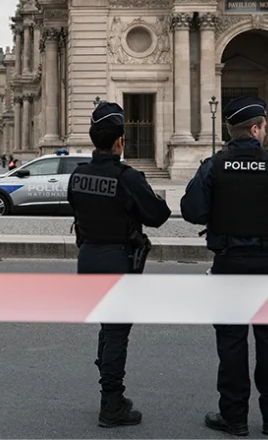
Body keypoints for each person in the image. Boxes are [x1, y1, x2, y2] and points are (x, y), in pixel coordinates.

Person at [180, 95, 268, 436]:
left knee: (231, 344)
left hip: (229, 264)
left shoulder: (213, 166)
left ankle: (234, 417)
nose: (266, 132)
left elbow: (192, 211)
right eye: (264, 127)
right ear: (255, 129)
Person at [68, 100, 171, 428]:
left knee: (107, 327)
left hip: (87, 258)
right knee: (116, 332)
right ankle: (111, 402)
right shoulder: (128, 178)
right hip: (118, 261)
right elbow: (158, 216)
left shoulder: (78, 176)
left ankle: (108, 386)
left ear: (92, 138)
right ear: (120, 141)